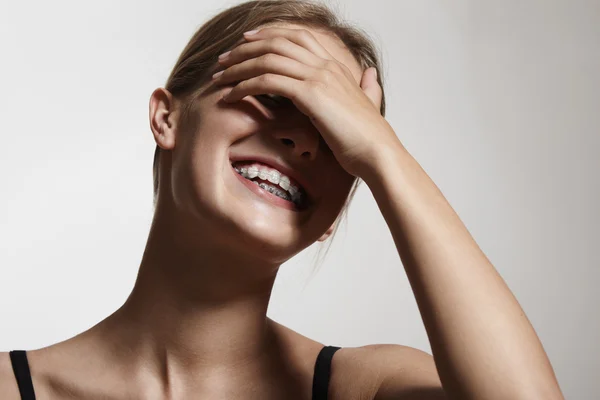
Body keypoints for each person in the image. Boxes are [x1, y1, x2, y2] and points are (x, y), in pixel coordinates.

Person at [0, 1, 564, 399]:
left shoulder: (363, 390)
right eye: (273, 94)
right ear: (167, 116)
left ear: (334, 212)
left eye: (335, 129)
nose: (302, 139)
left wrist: (382, 156)